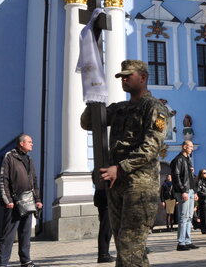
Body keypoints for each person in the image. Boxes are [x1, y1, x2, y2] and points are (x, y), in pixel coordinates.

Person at [80, 59, 168, 266]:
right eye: (121, 77)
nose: (124, 79)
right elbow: (87, 123)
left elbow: (151, 146)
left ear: (143, 78)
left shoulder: (154, 108)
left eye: (129, 76)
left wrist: (120, 168)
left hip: (140, 185)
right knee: (124, 245)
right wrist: (93, 98)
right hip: (117, 185)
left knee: (130, 245)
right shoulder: (120, 108)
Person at [0, 133, 43, 267]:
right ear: (21, 143)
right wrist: (7, 200)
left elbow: (34, 181)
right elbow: (3, 179)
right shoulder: (9, 157)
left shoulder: (29, 159)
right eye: (30, 142)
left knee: (25, 233)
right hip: (14, 202)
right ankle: (2, 263)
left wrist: (37, 199)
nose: (32, 144)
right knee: (8, 235)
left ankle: (26, 261)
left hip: (28, 201)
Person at [170, 140, 199, 251]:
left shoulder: (188, 160)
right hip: (184, 191)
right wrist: (183, 191)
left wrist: (195, 191)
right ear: (184, 147)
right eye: (190, 146)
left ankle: (188, 241)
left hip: (190, 191)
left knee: (189, 217)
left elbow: (190, 178)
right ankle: (181, 243)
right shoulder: (178, 160)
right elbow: (176, 177)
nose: (192, 148)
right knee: (183, 217)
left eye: (192, 146)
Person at [94, 187, 113, 263]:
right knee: (106, 227)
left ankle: (104, 254)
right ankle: (103, 254)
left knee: (106, 227)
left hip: (102, 194)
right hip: (105, 195)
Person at [195, 169, 206, 235]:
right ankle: (204, 229)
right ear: (201, 174)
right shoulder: (199, 181)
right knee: (203, 215)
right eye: (204, 173)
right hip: (203, 200)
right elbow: (198, 191)